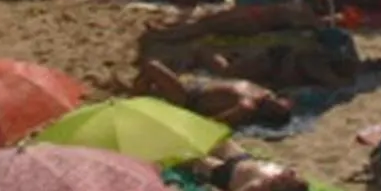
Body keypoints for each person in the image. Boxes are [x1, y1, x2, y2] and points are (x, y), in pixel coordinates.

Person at [116, 59, 291, 127]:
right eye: (278, 100)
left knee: (152, 67)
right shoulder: (265, 92)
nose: (274, 100)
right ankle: (132, 92)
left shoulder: (247, 106)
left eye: (275, 105)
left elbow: (215, 123)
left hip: (188, 97)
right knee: (152, 79)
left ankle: (131, 103)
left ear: (268, 112)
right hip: (196, 83)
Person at [181, 148, 309, 191]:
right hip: (243, 159)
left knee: (192, 158)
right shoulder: (285, 174)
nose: (290, 174)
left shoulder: (257, 186)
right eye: (292, 176)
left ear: (281, 190)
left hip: (225, 173)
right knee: (217, 138)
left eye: (286, 181)